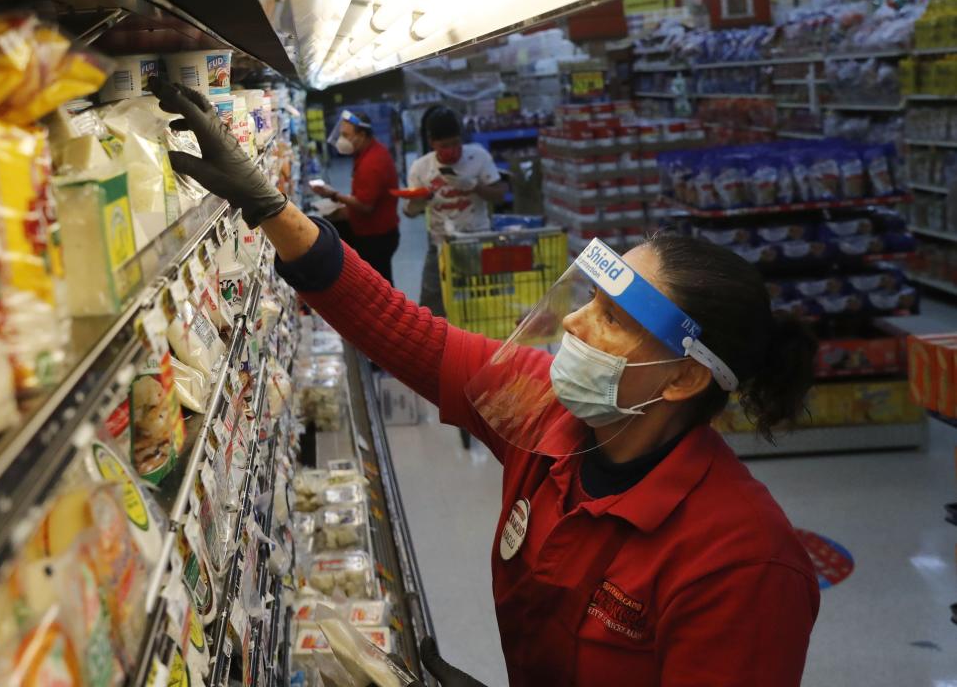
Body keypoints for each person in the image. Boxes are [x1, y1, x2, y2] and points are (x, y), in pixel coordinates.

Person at [152, 79, 820, 687]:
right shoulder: (547, 411)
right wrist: (275, 210)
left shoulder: (743, 562)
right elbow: (407, 333)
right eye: (587, 299)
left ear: (683, 377)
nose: (577, 325)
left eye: (612, 319)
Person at [404, 107, 507, 318]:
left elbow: (500, 194)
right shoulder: (420, 168)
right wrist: (418, 202)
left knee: (481, 303)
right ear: (432, 142)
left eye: (455, 144)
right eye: (444, 146)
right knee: (432, 304)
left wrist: (475, 187)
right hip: (440, 243)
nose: (451, 150)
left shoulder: (478, 157)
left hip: (477, 240)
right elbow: (409, 212)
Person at [312, 109, 400, 284]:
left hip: (376, 236)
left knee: (378, 287)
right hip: (378, 230)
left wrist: (334, 195)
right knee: (381, 282)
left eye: (346, 135)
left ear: (362, 135)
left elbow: (365, 206)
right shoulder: (369, 152)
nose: (342, 140)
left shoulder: (372, 163)